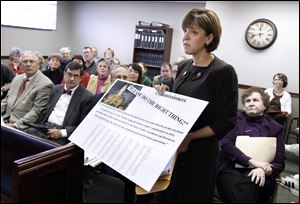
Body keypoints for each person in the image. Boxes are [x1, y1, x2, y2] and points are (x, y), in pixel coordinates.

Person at [155, 8, 238, 202]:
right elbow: (180, 105)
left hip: (200, 154)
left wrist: (191, 137)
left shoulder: (223, 71)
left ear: (209, 38)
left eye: (193, 32)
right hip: (175, 149)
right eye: (185, 30)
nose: (185, 37)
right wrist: (165, 95)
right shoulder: (184, 66)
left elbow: (226, 121)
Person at [217, 87, 285, 203]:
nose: (251, 104)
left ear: (265, 105)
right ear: (244, 106)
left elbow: (279, 163)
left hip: (261, 172)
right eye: (248, 101)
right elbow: (226, 143)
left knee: (253, 181)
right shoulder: (234, 120)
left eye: (255, 100)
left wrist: (262, 169)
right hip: (231, 168)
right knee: (244, 190)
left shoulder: (275, 128)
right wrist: (252, 161)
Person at [24, 62, 94, 145]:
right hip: (45, 127)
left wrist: (62, 132)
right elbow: (44, 111)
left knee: (50, 150)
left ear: (80, 78)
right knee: (26, 134)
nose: (72, 78)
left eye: (76, 76)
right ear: (64, 74)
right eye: (69, 74)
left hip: (63, 134)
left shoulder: (87, 97)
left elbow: (83, 126)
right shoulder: (55, 89)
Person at [1, 51, 53, 130]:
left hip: (23, 126)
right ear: (21, 64)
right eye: (25, 61)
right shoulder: (17, 79)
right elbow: (6, 100)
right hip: (5, 120)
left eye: (31, 61)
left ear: (38, 64)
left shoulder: (45, 84)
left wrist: (16, 125)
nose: (28, 64)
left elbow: (36, 111)